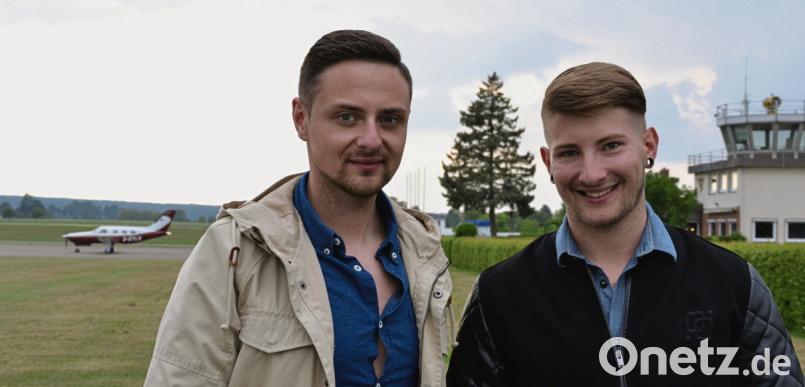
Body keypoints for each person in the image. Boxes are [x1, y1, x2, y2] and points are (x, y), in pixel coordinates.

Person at [446, 62, 803, 386]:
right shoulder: (500, 295)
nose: (593, 173)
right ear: (547, 161)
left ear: (649, 145)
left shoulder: (733, 284)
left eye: (611, 145)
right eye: (569, 152)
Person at [145, 30, 453, 387]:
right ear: (301, 118)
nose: (371, 139)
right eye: (347, 117)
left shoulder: (425, 252)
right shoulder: (234, 250)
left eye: (389, 120)